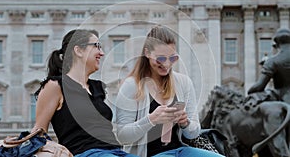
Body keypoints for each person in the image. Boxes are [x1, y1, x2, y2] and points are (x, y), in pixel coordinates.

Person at [113, 25, 225, 157]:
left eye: (172, 58)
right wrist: (152, 119)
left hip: (180, 150)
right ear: (147, 53)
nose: (166, 64)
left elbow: (194, 132)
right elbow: (122, 136)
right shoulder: (132, 85)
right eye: (160, 58)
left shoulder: (184, 83)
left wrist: (185, 123)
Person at [32, 29, 138, 157]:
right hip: (85, 153)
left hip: (115, 152)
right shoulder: (55, 86)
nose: (102, 53)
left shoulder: (97, 88)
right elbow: (39, 132)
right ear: (79, 50)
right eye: (97, 46)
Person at [248, 28, 290, 103]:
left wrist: (249, 92)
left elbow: (259, 86)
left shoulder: (272, 61)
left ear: (277, 44)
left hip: (284, 100)